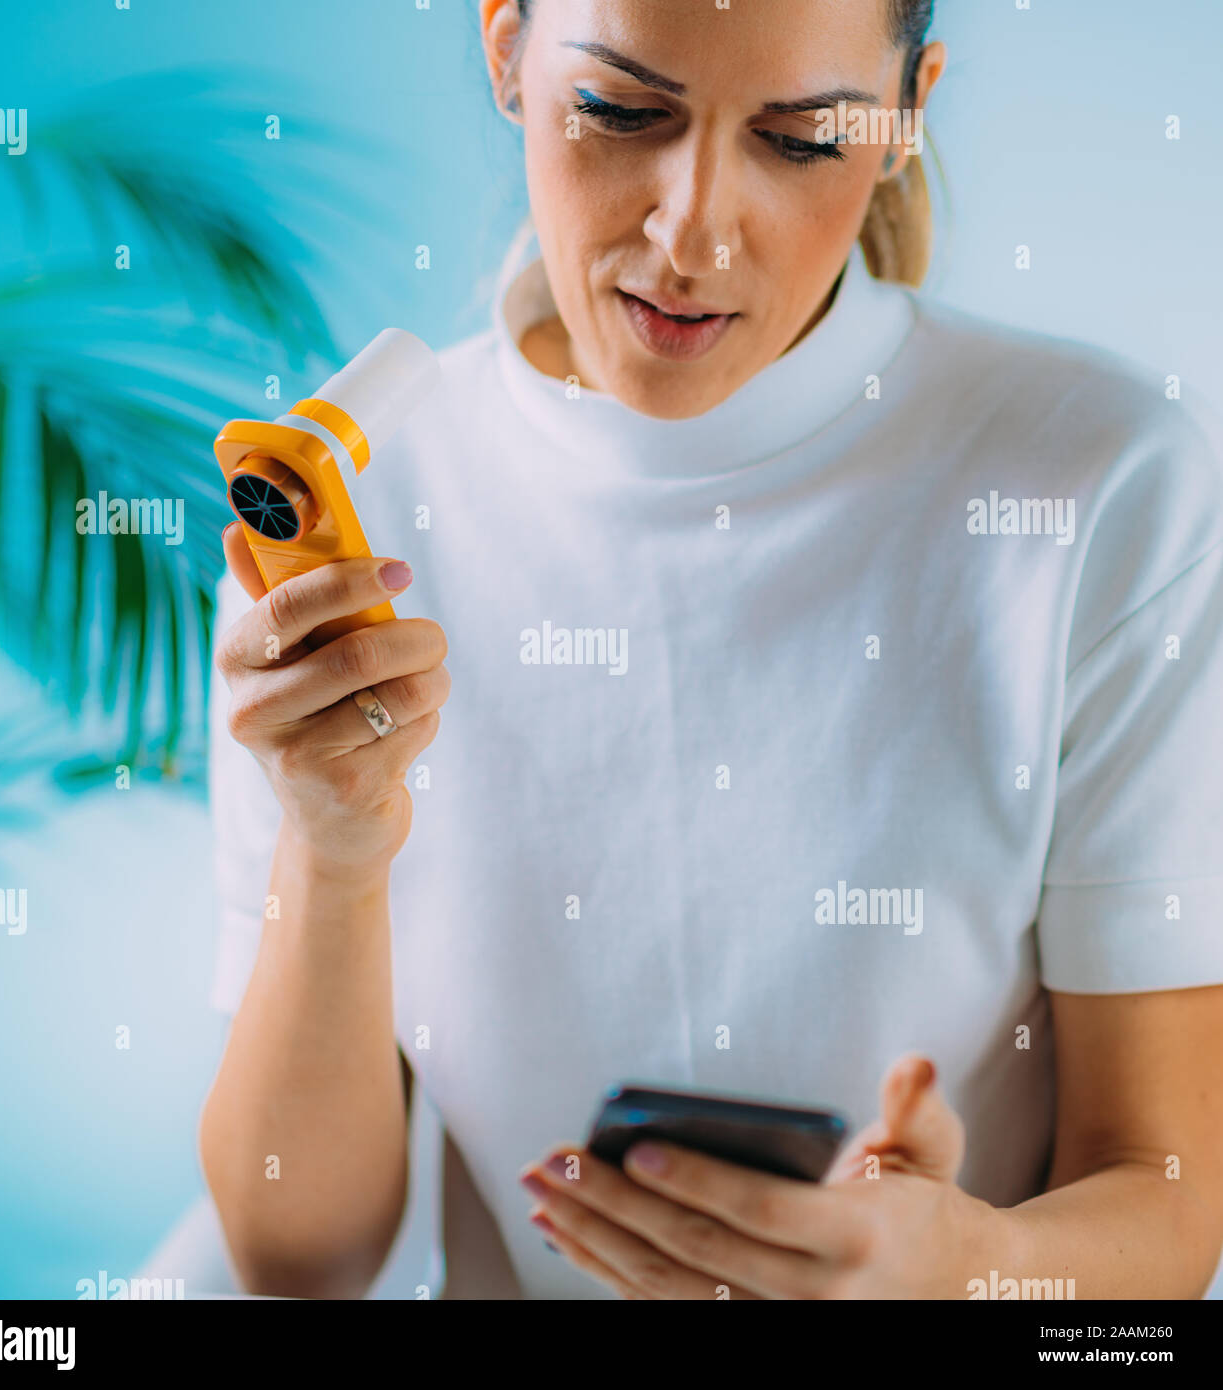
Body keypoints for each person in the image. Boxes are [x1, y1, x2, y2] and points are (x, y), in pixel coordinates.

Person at [198, 0, 1223, 1300]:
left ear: (907, 114)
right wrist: (332, 852)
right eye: (624, 112)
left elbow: (1164, 1207)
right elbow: (300, 1255)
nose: (691, 232)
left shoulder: (1105, 484)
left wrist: (968, 1268)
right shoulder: (351, 512)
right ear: (507, 50)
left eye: (800, 138)